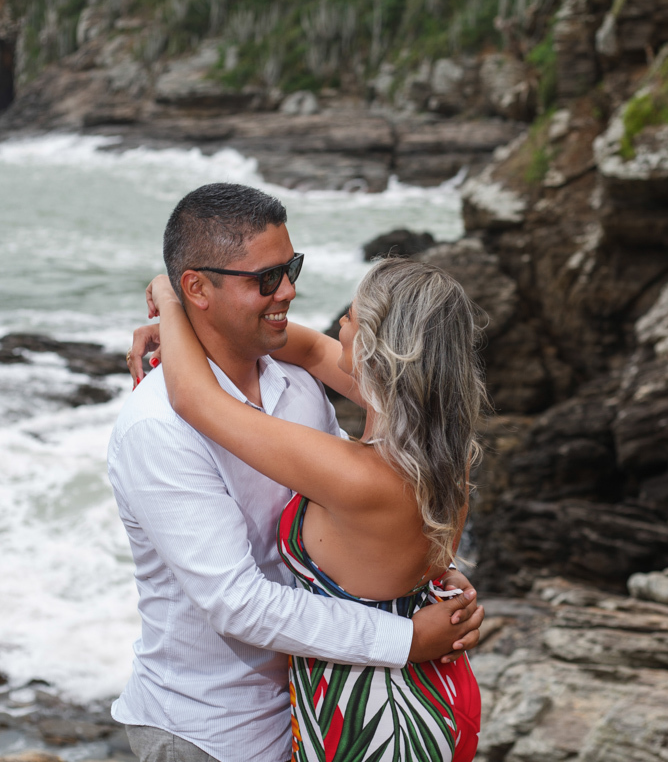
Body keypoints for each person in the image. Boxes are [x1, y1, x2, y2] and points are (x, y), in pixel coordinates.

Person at [109, 182, 482, 762]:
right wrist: (412, 618)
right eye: (267, 278)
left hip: (336, 716)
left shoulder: (302, 392)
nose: (290, 291)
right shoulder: (156, 426)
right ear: (199, 286)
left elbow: (206, 400)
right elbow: (235, 599)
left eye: (292, 268)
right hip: (212, 731)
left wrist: (171, 305)